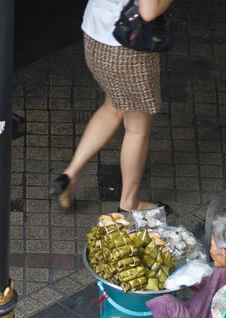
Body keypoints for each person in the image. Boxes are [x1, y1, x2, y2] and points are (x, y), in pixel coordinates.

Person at [50, 0, 172, 212]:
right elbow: (149, 11)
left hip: (96, 32)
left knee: (113, 106)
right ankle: (129, 203)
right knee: (137, 129)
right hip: (127, 46)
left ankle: (69, 177)